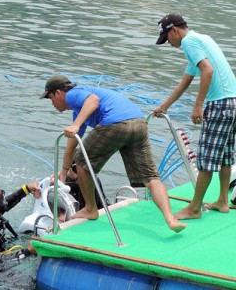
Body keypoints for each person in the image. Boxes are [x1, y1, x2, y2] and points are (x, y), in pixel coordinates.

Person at [39, 75, 186, 233]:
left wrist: (76, 125)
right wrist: (64, 172)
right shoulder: (79, 113)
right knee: (151, 177)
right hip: (139, 123)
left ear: (58, 93)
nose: (52, 104)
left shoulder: (74, 94)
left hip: (116, 123)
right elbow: (71, 145)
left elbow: (93, 100)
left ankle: (90, 209)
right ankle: (170, 219)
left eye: (50, 98)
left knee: (81, 160)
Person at [153, 14, 236, 219]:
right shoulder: (202, 39)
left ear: (174, 30)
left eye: (167, 38)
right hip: (233, 102)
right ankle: (222, 200)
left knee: (206, 158)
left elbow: (207, 70)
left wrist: (199, 105)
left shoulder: (189, 42)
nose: (169, 43)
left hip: (219, 104)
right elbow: (185, 81)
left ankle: (194, 208)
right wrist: (164, 106)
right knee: (225, 155)